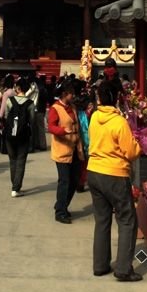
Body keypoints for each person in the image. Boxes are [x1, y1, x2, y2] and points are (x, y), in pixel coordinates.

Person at [87, 80, 141, 281]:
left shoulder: (94, 117)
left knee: (101, 220)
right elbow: (131, 151)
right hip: (115, 174)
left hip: (94, 171)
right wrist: (138, 145)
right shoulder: (119, 122)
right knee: (127, 220)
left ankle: (100, 265)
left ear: (99, 98)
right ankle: (123, 269)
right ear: (116, 98)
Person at [48, 80, 84, 224]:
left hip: (75, 148)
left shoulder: (73, 107)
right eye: (71, 94)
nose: (73, 96)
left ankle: (62, 204)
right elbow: (51, 127)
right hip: (62, 150)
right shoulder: (55, 109)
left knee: (74, 180)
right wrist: (63, 131)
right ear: (64, 94)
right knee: (64, 181)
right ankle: (60, 212)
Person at [4, 78, 35, 196]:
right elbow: (32, 120)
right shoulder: (30, 103)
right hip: (23, 134)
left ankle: (14, 185)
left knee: (12, 160)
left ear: (18, 88)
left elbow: (7, 116)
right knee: (21, 160)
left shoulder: (10, 100)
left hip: (10, 134)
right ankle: (16, 188)